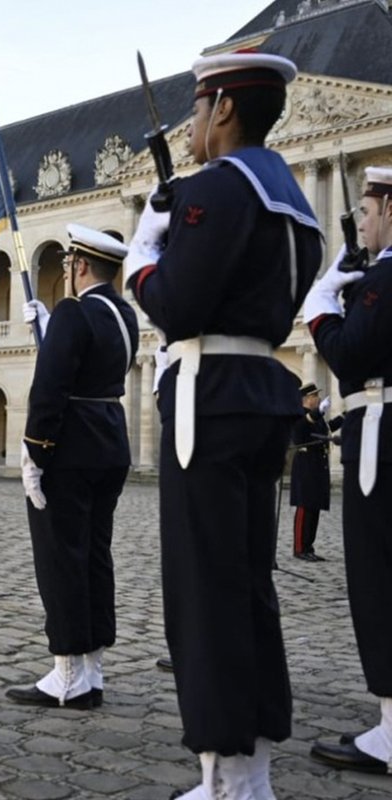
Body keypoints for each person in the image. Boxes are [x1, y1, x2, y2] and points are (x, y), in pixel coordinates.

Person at [124, 51, 321, 798]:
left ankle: (223, 776)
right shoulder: (290, 197)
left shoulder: (220, 188)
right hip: (260, 392)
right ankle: (253, 765)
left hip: (207, 396)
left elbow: (175, 304)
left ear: (226, 109)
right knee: (249, 586)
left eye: (200, 108)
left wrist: (149, 247)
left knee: (204, 592)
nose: (195, 125)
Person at [7, 224, 138, 710]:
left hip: (70, 447)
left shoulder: (73, 312)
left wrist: (34, 451)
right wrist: (51, 330)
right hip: (109, 442)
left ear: (80, 266)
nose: (65, 274)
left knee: (61, 558)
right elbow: (92, 367)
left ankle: (67, 672)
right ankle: (93, 668)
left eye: (66, 266)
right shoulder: (123, 315)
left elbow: (51, 387)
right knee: (94, 556)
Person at [304, 165, 392, 775]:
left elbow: (348, 353)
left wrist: (322, 304)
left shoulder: (386, 276)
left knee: (378, 581)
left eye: (366, 210)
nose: (360, 222)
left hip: (381, 437)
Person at [289, 382, 342, 562]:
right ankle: (299, 548)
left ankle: (308, 546)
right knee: (305, 508)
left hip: (317, 465)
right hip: (305, 465)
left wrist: (347, 416)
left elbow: (327, 428)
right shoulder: (298, 415)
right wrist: (318, 412)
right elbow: (301, 429)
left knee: (314, 508)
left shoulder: (316, 418)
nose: (318, 398)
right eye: (314, 396)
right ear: (306, 399)